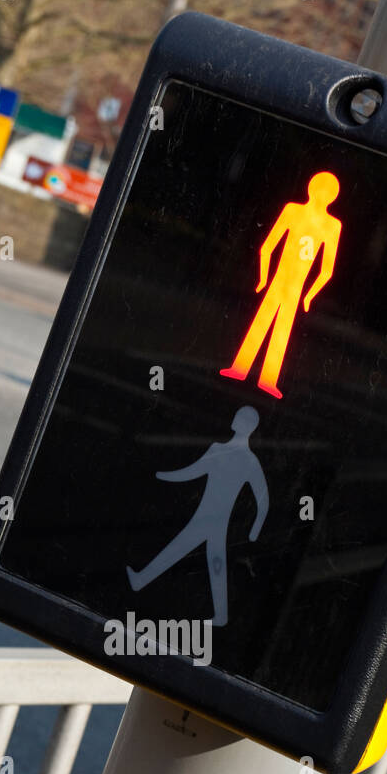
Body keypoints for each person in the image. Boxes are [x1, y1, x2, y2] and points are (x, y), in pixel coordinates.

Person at [126, 406, 269, 627]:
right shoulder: (224, 451)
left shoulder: (244, 459)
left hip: (212, 520)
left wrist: (255, 530)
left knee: (200, 556)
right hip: (208, 518)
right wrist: (163, 475)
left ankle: (142, 580)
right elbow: (193, 471)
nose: (235, 419)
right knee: (211, 559)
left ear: (248, 426)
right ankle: (219, 614)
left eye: (239, 417)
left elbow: (263, 500)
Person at [220, 171, 342, 399]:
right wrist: (305, 293)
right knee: (274, 326)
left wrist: (306, 294)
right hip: (288, 282)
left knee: (274, 327)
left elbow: (325, 269)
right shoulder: (313, 218)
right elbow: (270, 247)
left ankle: (253, 373)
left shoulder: (309, 217)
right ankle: (253, 373)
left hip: (288, 282)